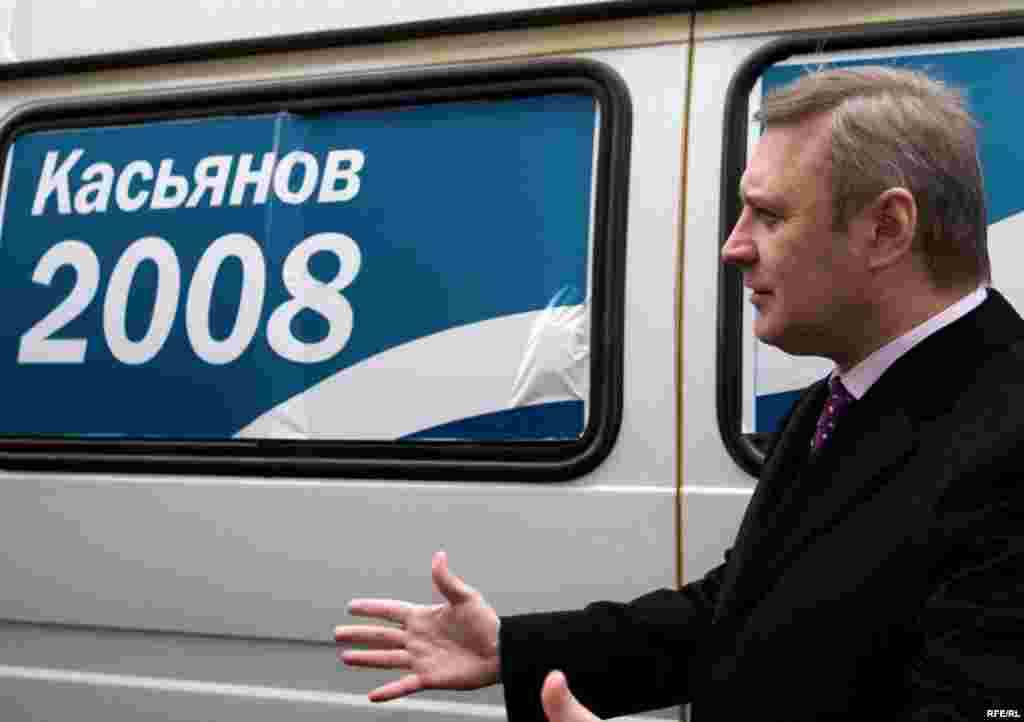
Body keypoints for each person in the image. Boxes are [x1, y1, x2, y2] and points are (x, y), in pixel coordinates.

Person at [334, 66, 1024, 721]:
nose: (734, 246)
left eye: (770, 215)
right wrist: (514, 650)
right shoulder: (839, 398)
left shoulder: (1006, 438)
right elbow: (735, 611)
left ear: (887, 229)